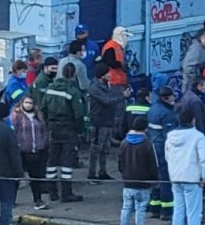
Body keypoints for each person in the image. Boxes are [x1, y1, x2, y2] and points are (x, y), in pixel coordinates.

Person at [165, 108, 205, 225]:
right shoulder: (198, 136)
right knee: (194, 212)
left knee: (178, 210)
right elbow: (204, 158)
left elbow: (167, 156)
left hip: (175, 177)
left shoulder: (170, 136)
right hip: (192, 178)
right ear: (193, 120)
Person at [41, 63, 87, 203]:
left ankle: (52, 192)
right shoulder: (73, 91)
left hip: (53, 128)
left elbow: (43, 108)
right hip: (68, 128)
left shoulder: (50, 88)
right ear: (74, 74)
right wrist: (80, 130)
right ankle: (66, 194)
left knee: (52, 160)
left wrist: (48, 124)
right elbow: (79, 114)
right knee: (67, 161)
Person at [118, 116, 158, 225]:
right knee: (140, 209)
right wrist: (155, 179)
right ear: (145, 128)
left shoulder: (124, 142)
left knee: (126, 208)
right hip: (143, 182)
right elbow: (153, 164)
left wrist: (124, 174)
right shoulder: (147, 144)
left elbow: (120, 163)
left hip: (128, 181)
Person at [87, 64, 131, 182]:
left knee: (105, 149)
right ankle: (92, 174)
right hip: (98, 123)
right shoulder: (95, 88)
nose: (110, 75)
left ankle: (102, 171)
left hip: (107, 121)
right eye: (108, 73)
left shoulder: (106, 85)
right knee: (95, 149)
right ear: (102, 75)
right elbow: (107, 101)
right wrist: (123, 97)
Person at [12, 95, 50, 211]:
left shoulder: (38, 116)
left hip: (37, 151)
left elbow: (44, 130)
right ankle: (11, 200)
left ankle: (37, 200)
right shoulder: (16, 116)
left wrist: (44, 143)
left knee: (36, 178)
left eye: (31, 103)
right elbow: (13, 132)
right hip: (22, 151)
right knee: (17, 177)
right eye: (26, 102)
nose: (29, 105)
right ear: (22, 103)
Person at [147, 86, 178, 220]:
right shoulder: (167, 113)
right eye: (172, 97)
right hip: (163, 149)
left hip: (153, 146)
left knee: (156, 178)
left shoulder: (153, 109)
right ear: (168, 98)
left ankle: (154, 207)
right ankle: (167, 210)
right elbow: (170, 136)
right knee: (165, 179)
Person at [181, 27, 205, 91]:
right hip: (192, 88)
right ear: (202, 38)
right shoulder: (196, 49)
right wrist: (197, 84)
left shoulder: (201, 48)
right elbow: (188, 68)